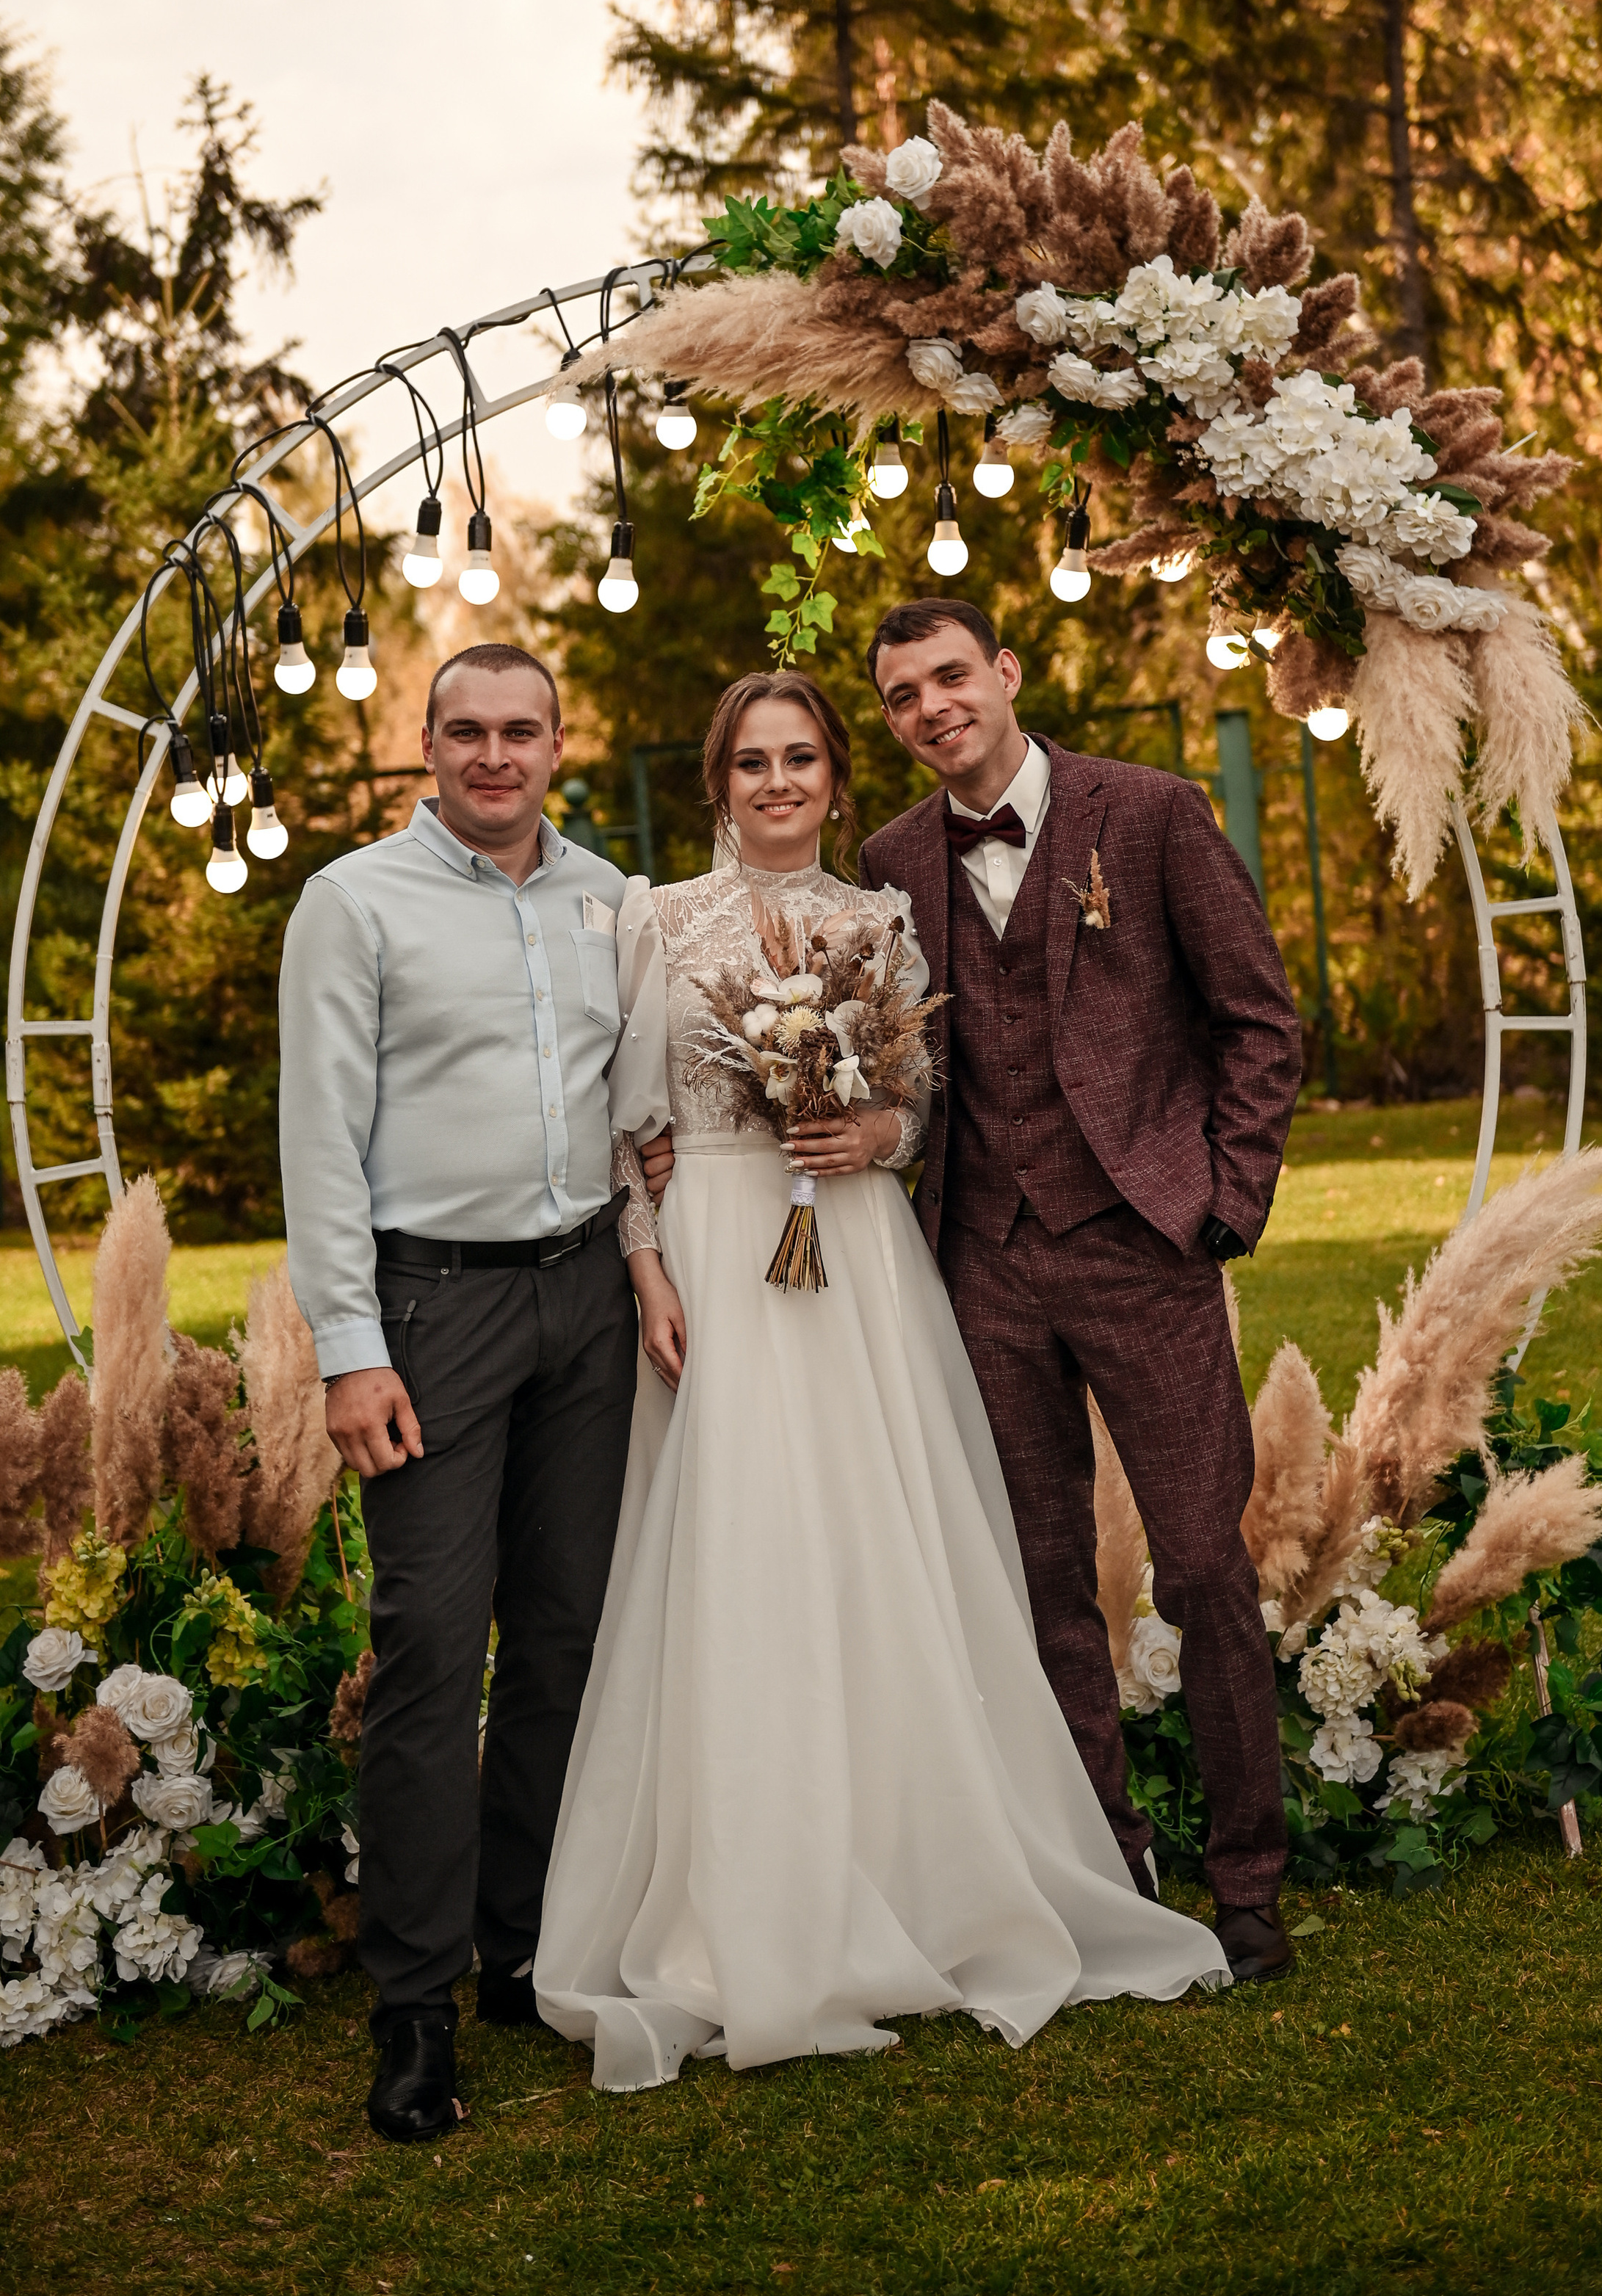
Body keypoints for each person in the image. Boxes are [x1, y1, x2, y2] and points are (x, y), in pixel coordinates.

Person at [532, 670, 1229, 2093]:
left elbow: (918, 1102)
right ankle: (749, 1895)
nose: (775, 782)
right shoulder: (657, 920)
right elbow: (627, 1121)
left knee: (880, 1549)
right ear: (717, 782)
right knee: (741, 1558)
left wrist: (873, 1127)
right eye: (749, 762)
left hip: (850, 1260)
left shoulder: (880, 920)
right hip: (721, 1260)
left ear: (834, 782)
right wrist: (649, 1261)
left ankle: (922, 1862)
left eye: (798, 759)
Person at [855, 598, 1302, 1985]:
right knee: (1043, 1581)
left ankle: (1250, 1881)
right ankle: (1107, 1867)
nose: (932, 708)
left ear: (1006, 672)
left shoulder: (1154, 813)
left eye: (949, 677)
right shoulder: (886, 865)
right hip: (982, 1262)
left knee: (1206, 1566)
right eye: (900, 697)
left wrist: (1221, 1203)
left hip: (1143, 1245)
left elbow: (1260, 1019)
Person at [278, 642, 639, 2143]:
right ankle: (413, 2004)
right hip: (431, 1310)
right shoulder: (353, 902)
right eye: (465, 731)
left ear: (560, 740)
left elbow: (644, 1099)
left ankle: (518, 1941)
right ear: (424, 743)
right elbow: (318, 1135)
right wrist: (350, 1347)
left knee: (565, 1630)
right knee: (432, 1647)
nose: (494, 756)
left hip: (588, 1298)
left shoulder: (610, 898)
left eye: (521, 731)